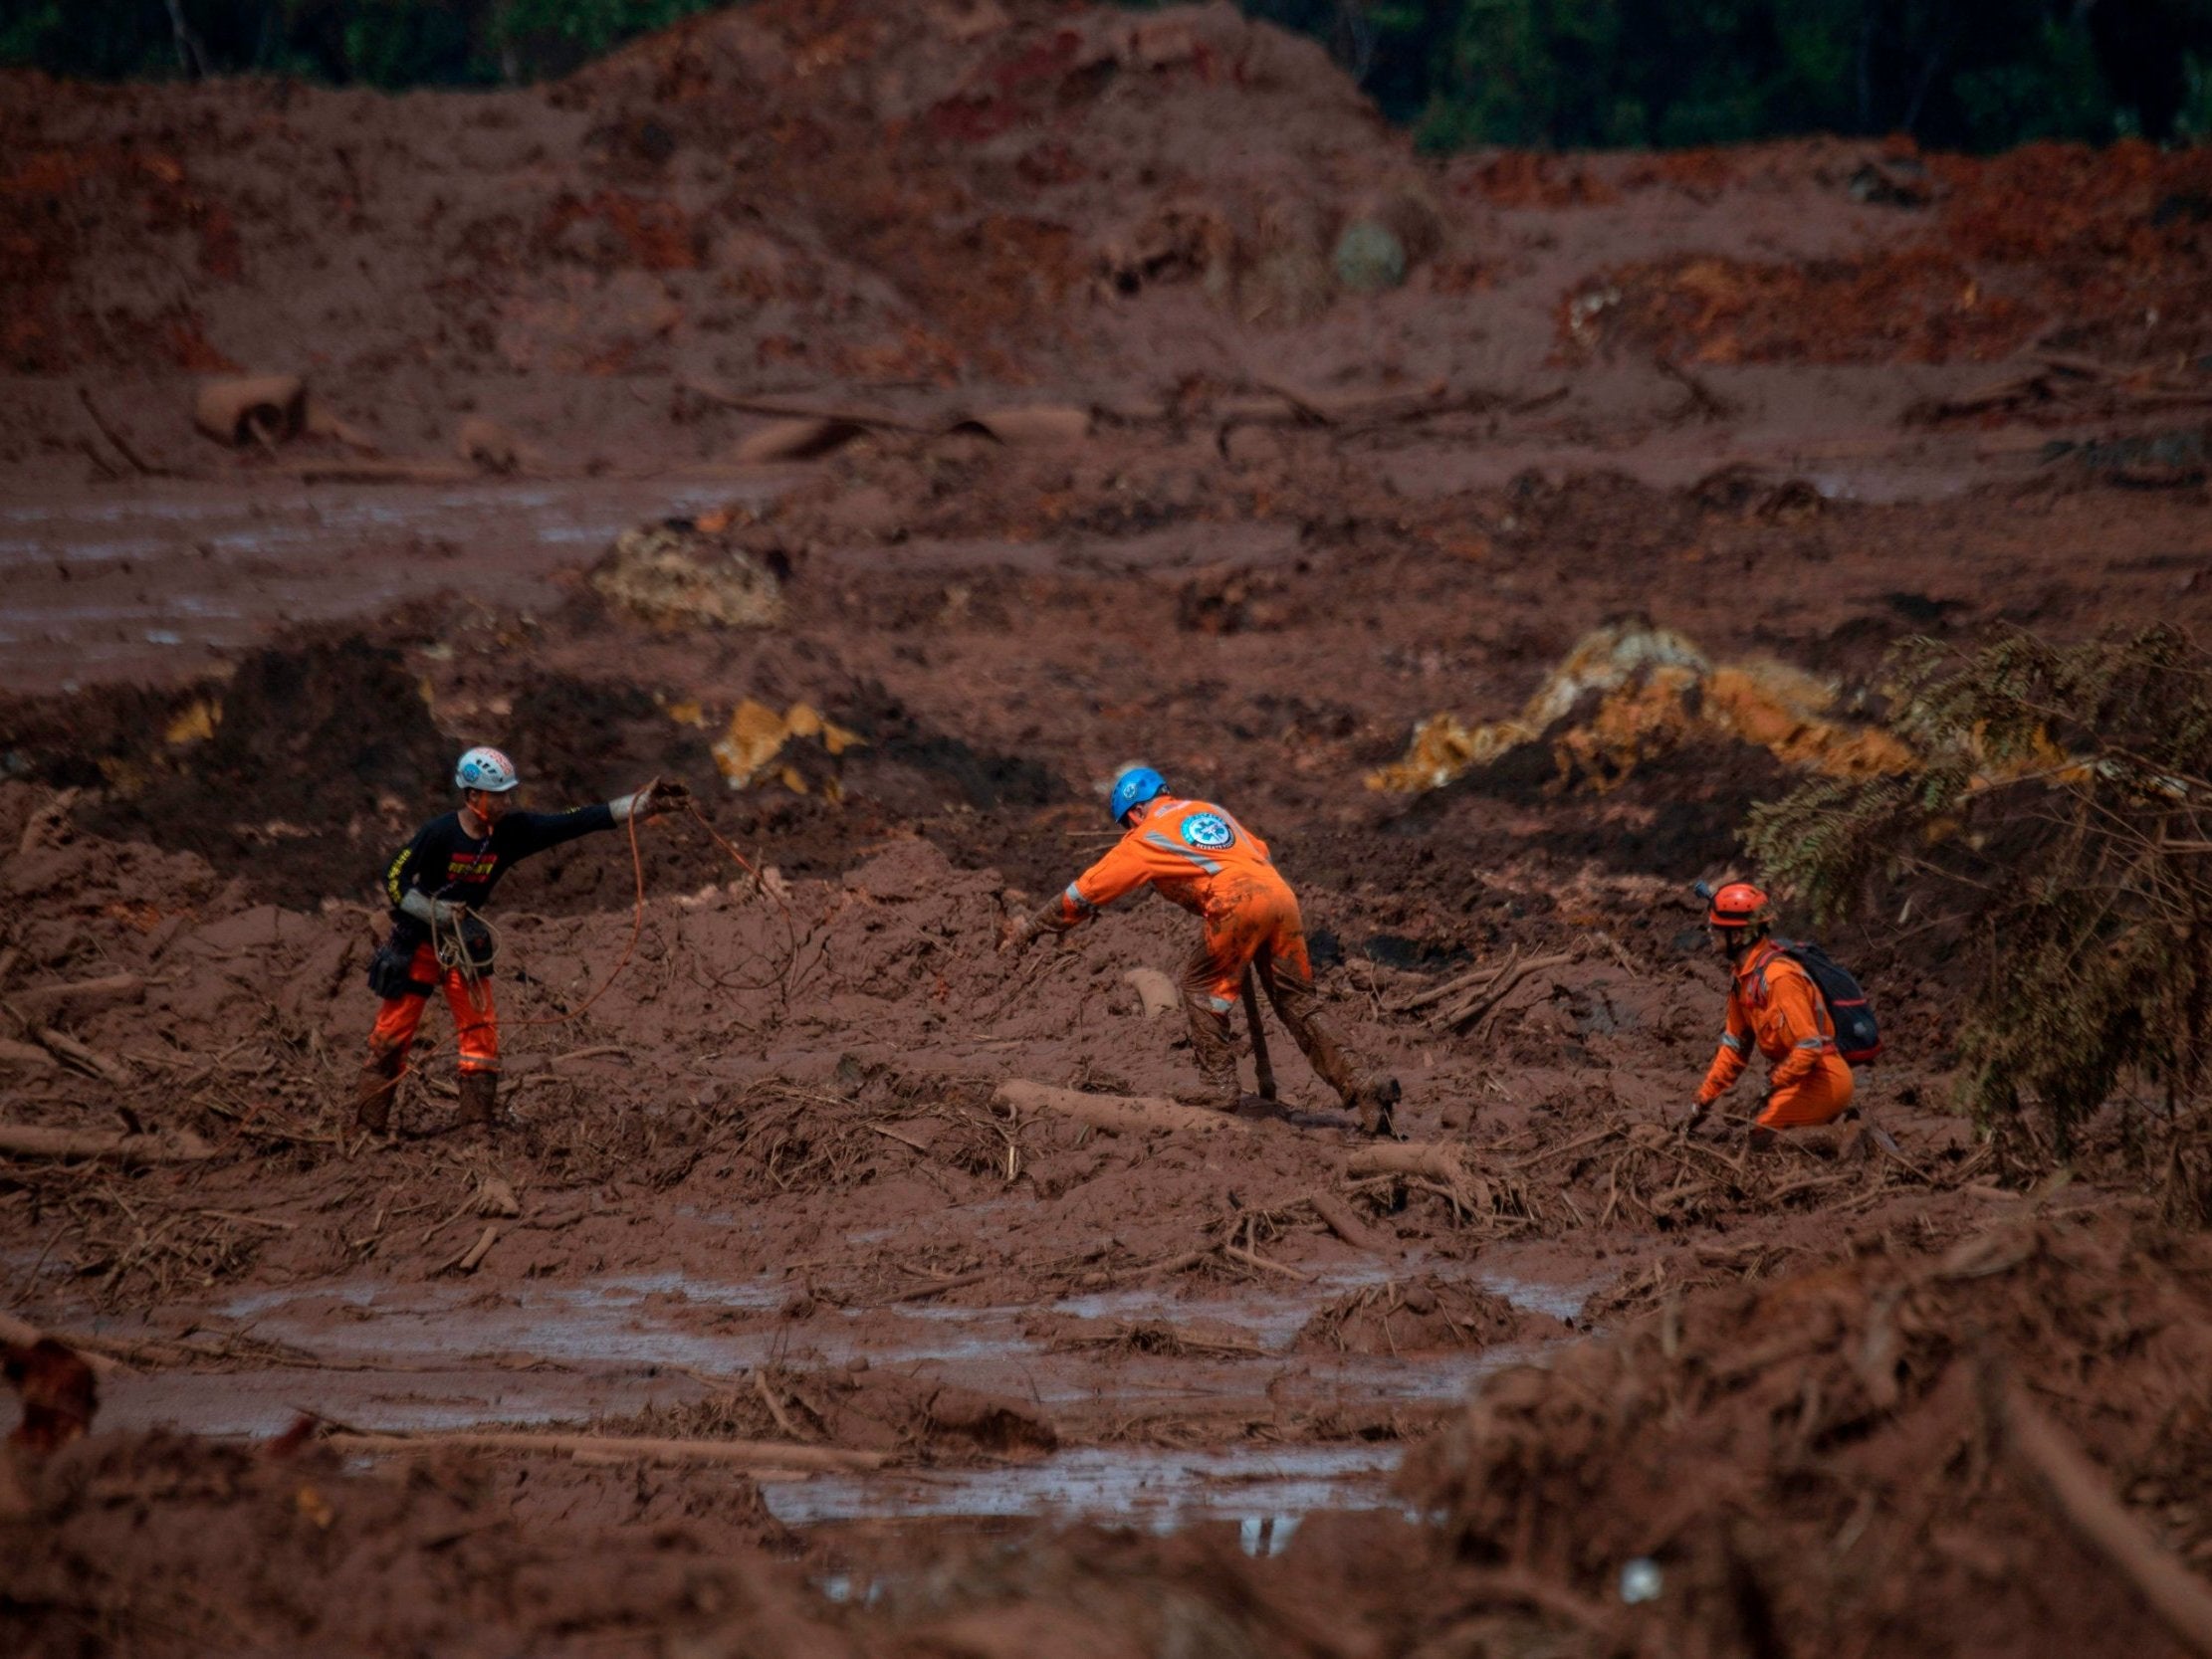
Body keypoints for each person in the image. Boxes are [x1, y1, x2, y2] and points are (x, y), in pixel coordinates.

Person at [1000, 765, 1400, 1133]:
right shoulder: (1210, 810)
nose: (1127, 830)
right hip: (1280, 895)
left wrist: (1035, 927)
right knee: (1298, 1002)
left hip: (1236, 901)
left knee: (1199, 987)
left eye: (1125, 823)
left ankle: (1219, 1084)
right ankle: (1362, 1084)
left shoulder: (1145, 837)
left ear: (1135, 812)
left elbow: (1087, 891)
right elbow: (1259, 850)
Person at [353, 746, 687, 1136]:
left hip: (463, 947)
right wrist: (435, 912)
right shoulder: (438, 832)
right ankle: (368, 1128)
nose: (506, 802)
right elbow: (394, 876)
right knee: (391, 1038)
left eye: (508, 794)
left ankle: (476, 1126)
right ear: (472, 796)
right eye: (498, 795)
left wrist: (643, 804)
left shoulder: (512, 833)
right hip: (417, 945)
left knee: (480, 1033)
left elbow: (576, 821)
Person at [1686, 880, 1855, 1142]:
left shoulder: (1779, 978)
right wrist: (1701, 1101)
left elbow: (1808, 1047)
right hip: (1793, 1081)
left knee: (1758, 1138)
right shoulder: (1743, 981)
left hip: (1823, 1081)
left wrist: (1764, 1087)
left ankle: (1845, 1137)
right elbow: (1734, 1049)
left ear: (1740, 936)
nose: (1710, 931)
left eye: (1717, 928)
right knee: (1743, 1133)